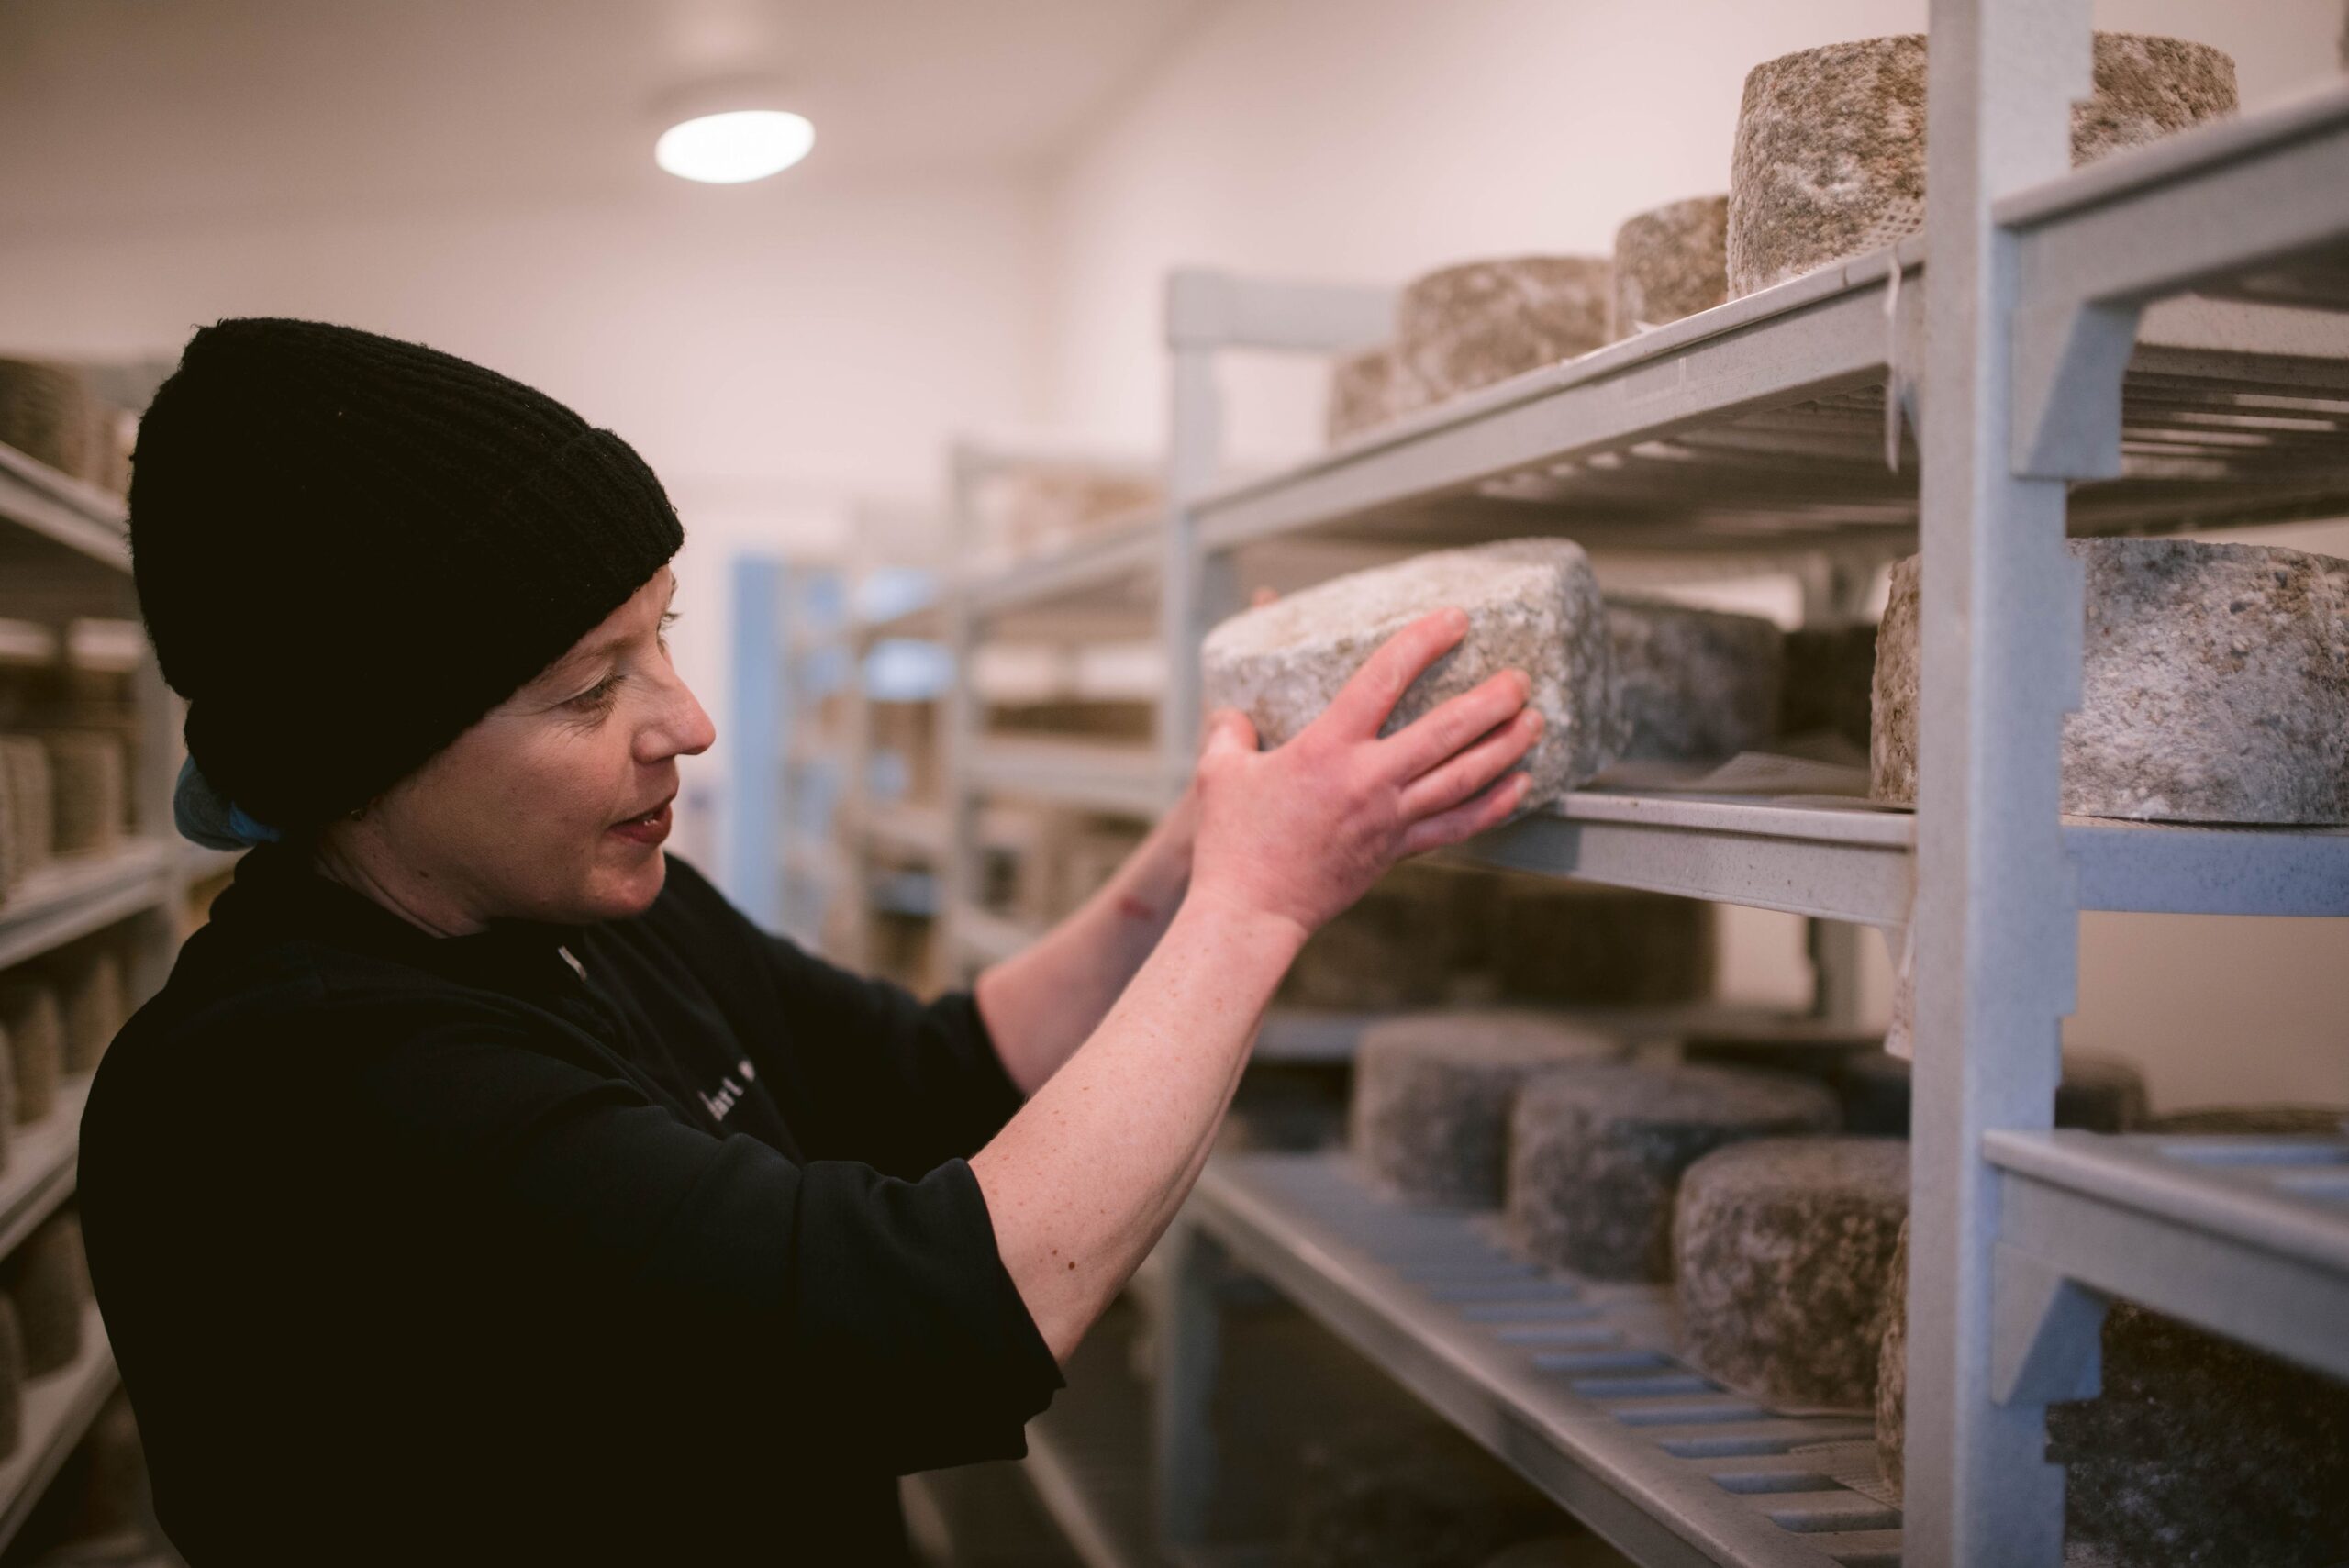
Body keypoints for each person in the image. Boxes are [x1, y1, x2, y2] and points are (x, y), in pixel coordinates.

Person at [80, 318, 1542, 1564]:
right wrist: (1260, 903)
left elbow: (935, 1068)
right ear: (366, 749)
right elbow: (926, 1315)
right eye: (593, 689)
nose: (686, 722)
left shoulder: (583, 905)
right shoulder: (299, 1093)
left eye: (660, 634)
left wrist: (1193, 852)